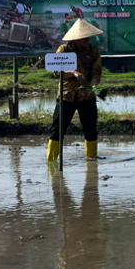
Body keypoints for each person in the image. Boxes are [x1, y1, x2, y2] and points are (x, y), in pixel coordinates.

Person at [47, 18, 104, 163]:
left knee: (90, 129)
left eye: (88, 38)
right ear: (76, 38)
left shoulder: (93, 51)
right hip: (67, 96)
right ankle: (51, 161)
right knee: (57, 129)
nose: (86, 40)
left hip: (86, 96)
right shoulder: (64, 50)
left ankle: (92, 161)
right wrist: (72, 73)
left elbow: (97, 73)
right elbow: (56, 71)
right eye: (83, 38)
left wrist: (93, 85)